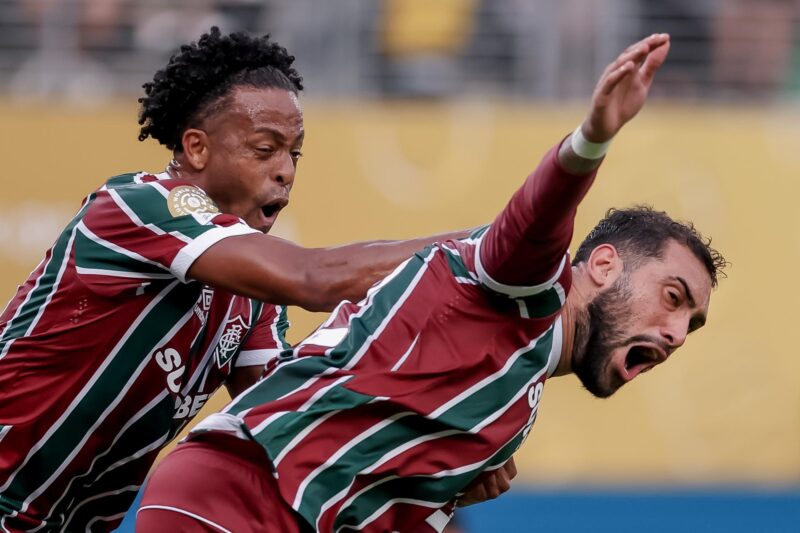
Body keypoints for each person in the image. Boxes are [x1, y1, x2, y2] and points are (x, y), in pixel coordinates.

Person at [136, 32, 727, 533]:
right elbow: (534, 218)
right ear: (600, 267)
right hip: (239, 501)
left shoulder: (514, 406)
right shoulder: (530, 287)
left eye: (692, 324)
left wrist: (439, 490)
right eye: (671, 298)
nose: (676, 333)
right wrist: (591, 138)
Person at [0, 28, 499, 532]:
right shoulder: (139, 205)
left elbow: (287, 428)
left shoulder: (252, 303)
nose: (286, 171)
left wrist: (436, 455)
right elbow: (315, 277)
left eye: (294, 154)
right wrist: (496, 246)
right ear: (196, 148)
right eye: (265, 148)